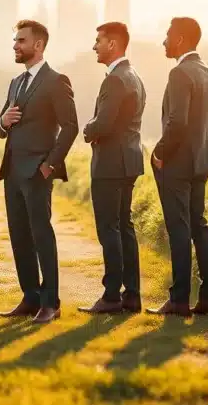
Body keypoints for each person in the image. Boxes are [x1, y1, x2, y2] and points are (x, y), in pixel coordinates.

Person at [0, 19, 78, 324]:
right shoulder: (15, 83)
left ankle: (51, 303)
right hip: (13, 171)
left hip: (38, 172)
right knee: (19, 236)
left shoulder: (57, 81)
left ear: (38, 45)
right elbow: (0, 127)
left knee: (41, 235)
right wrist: (3, 121)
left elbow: (71, 127)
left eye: (21, 41)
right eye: (15, 41)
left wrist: (49, 165)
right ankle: (30, 298)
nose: (15, 46)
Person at [148, 17, 208, 318]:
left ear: (180, 40)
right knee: (199, 227)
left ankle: (178, 300)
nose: (164, 41)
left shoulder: (179, 73)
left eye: (167, 36)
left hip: (177, 162)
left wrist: (159, 152)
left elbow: (177, 122)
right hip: (202, 160)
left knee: (179, 229)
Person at [78, 22, 147, 315]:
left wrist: (87, 129)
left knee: (109, 229)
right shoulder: (135, 77)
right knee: (124, 228)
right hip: (129, 162)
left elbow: (103, 124)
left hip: (110, 165)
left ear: (113, 44)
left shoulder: (115, 79)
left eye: (98, 41)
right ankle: (131, 295)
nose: (94, 46)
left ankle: (110, 296)